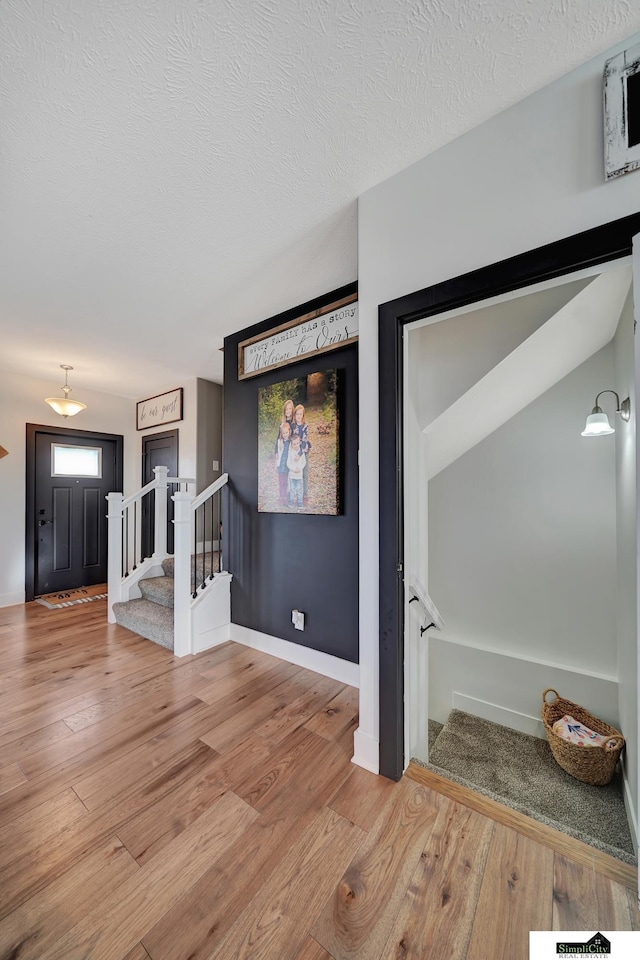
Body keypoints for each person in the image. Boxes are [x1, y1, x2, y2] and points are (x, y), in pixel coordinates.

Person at [291, 403, 312, 505]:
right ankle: (295, 496)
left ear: (303, 415)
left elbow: (304, 441)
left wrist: (299, 454)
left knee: (304, 474)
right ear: (294, 415)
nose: (298, 416)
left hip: (303, 452)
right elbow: (291, 438)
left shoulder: (305, 426)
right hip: (294, 452)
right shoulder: (293, 425)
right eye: (297, 414)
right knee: (295, 473)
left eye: (300, 414)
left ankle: (305, 496)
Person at [275, 421, 292, 505]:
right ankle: (281, 497)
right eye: (283, 433)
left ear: (289, 432)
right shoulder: (279, 442)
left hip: (288, 467)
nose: (285, 434)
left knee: (287, 483)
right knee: (281, 483)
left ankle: (286, 498)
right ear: (281, 434)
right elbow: (277, 453)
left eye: (286, 432)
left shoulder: (291, 442)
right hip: (280, 467)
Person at [286, 435, 306, 508]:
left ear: (299, 443)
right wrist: (294, 469)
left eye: (297, 443)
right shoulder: (290, 452)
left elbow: (304, 462)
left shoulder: (301, 453)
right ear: (291, 444)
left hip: (299, 475)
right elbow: (288, 463)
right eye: (294, 444)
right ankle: (291, 502)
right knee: (292, 489)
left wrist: (299, 468)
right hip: (292, 475)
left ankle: (300, 502)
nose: (296, 445)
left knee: (300, 489)